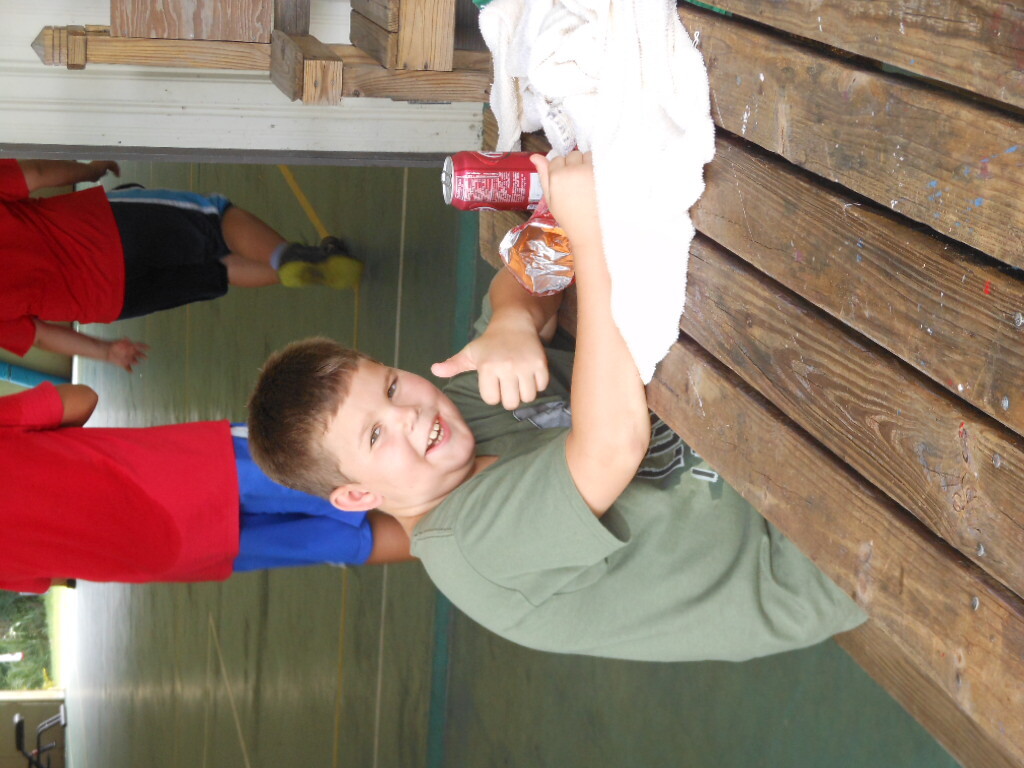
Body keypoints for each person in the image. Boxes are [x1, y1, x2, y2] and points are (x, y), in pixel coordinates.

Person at [247, 152, 866, 662]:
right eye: (375, 437)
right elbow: (611, 448)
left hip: (759, 448)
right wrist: (588, 238)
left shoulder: (454, 414)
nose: (406, 415)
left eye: (389, 388)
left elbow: (523, 278)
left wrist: (513, 320)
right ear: (358, 496)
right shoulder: (469, 547)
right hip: (812, 553)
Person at [0, 381, 410, 594]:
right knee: (340, 467)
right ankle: (440, 481)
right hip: (192, 469)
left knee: (346, 543)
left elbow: (48, 577)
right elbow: (81, 398)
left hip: (174, 553)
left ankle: (441, 535)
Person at [1, 158, 361, 372]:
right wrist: (88, 170)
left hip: (113, 300)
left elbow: (40, 336)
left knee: (218, 268)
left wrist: (105, 351)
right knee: (216, 219)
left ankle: (291, 270)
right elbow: (37, 172)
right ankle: (288, 257)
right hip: (106, 230)